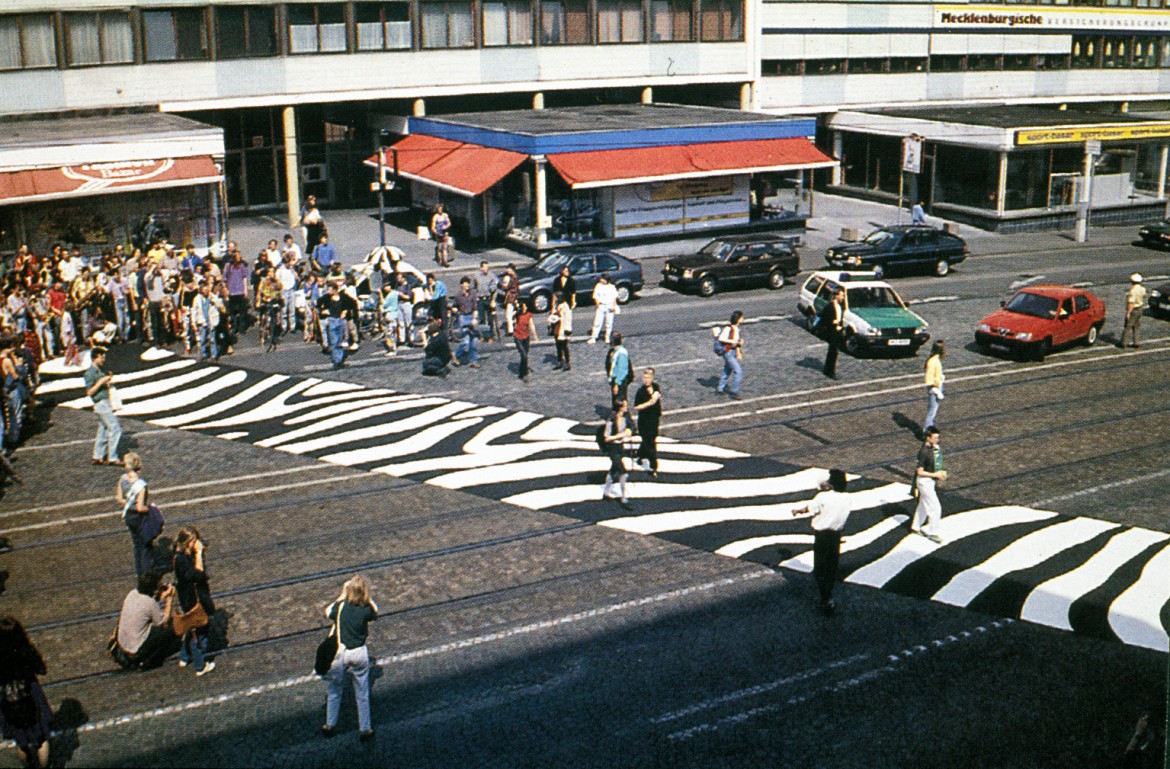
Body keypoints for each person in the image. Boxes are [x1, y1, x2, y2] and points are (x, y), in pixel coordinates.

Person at [321, 575, 379, 742]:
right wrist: (367, 596)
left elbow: (328, 612)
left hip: (341, 652)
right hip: (359, 653)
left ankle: (330, 725)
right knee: (362, 692)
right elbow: (376, 610)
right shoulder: (366, 609)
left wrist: (342, 595)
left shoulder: (341, 607)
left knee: (335, 689)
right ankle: (365, 728)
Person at [791, 468, 851, 616]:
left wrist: (798, 511)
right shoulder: (847, 497)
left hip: (822, 535)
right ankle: (828, 594)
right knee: (831, 566)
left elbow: (810, 509)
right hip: (836, 535)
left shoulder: (823, 497)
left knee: (820, 567)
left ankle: (825, 596)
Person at [0, 616, 53, 769]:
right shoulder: (25, 650)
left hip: (7, 699)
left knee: (21, 742)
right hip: (30, 695)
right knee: (41, 739)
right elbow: (42, 669)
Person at [114, 570, 179, 671]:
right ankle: (149, 660)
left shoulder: (132, 593)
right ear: (154, 588)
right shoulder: (150, 603)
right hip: (136, 648)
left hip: (123, 643)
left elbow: (145, 608)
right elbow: (163, 623)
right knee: (170, 630)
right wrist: (169, 599)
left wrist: (159, 597)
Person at [173, 526, 216, 676]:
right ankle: (200, 665)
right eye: (193, 541)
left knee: (190, 627)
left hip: (186, 597)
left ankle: (184, 657)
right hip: (193, 599)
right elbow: (198, 575)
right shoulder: (182, 561)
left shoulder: (180, 555)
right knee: (199, 630)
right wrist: (198, 554)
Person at [114, 452, 157, 578]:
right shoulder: (141, 485)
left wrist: (129, 503)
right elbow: (140, 507)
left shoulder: (122, 479)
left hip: (128, 516)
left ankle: (139, 572)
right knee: (146, 545)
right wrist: (150, 509)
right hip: (139, 518)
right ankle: (147, 573)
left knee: (136, 544)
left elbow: (119, 498)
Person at [85, 346, 121, 466]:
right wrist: (101, 382)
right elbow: (89, 392)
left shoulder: (100, 370)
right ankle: (112, 457)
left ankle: (98, 456)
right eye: (102, 357)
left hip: (105, 401)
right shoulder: (90, 373)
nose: (103, 360)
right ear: (95, 358)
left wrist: (108, 381)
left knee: (103, 429)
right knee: (115, 428)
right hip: (101, 403)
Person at [912, 427, 946, 544]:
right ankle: (933, 532)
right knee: (935, 507)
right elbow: (920, 472)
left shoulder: (931, 448)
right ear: (928, 438)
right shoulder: (924, 452)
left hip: (929, 482)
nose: (937, 440)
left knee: (923, 505)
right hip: (924, 482)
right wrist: (935, 474)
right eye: (935, 438)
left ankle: (915, 526)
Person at [600, 398, 633, 509]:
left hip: (620, 447)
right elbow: (606, 438)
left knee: (613, 470)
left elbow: (630, 430)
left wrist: (628, 433)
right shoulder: (611, 421)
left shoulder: (624, 419)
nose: (626, 408)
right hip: (613, 448)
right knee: (623, 473)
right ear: (620, 408)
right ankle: (623, 498)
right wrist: (620, 436)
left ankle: (606, 492)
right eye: (624, 406)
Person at [633, 368, 662, 478]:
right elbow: (637, 406)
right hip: (644, 421)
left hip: (654, 419)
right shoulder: (641, 392)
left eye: (648, 378)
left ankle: (640, 455)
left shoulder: (656, 387)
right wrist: (650, 402)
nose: (646, 380)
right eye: (644, 377)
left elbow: (658, 399)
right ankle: (653, 466)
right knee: (650, 444)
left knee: (649, 440)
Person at [318, 281, 349, 369]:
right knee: (334, 341)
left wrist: (345, 311)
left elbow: (349, 304)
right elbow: (317, 303)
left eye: (330, 289)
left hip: (340, 320)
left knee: (340, 340)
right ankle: (337, 360)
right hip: (332, 320)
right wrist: (323, 311)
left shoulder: (342, 297)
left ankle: (340, 359)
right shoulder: (327, 298)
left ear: (335, 290)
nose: (328, 291)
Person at [452, 277, 479, 368]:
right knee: (466, 341)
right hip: (463, 317)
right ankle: (456, 355)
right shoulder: (458, 295)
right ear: (462, 285)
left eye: (468, 283)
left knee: (474, 341)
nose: (467, 285)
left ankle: (473, 361)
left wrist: (475, 318)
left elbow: (475, 307)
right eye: (466, 283)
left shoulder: (473, 293)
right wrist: (455, 310)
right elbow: (454, 306)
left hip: (472, 316)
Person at [716, 311, 744, 398]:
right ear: (738, 319)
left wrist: (738, 351)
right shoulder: (728, 328)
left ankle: (720, 388)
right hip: (728, 352)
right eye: (742, 317)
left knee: (727, 370)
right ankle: (734, 392)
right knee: (738, 371)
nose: (743, 319)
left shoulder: (737, 329)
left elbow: (736, 343)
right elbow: (721, 338)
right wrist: (733, 341)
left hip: (733, 351)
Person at [821, 288, 846, 379]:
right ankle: (830, 371)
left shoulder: (839, 306)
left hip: (838, 330)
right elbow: (824, 319)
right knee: (833, 351)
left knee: (834, 351)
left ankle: (828, 369)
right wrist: (833, 322)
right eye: (841, 295)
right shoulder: (830, 306)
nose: (843, 297)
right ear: (836, 296)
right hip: (832, 331)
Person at [587, 274, 618, 345]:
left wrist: (614, 306)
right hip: (601, 305)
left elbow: (614, 297)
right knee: (597, 322)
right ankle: (593, 337)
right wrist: (597, 304)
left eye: (602, 279)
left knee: (609, 322)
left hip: (609, 305)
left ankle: (607, 336)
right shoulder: (598, 286)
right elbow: (595, 296)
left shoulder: (611, 287)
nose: (601, 280)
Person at [512, 298, 537, 380]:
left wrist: (534, 335)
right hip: (518, 336)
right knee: (523, 355)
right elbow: (513, 323)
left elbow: (531, 325)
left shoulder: (529, 314)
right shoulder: (517, 315)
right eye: (523, 307)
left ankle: (521, 371)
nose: (525, 309)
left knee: (525, 355)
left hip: (526, 336)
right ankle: (524, 373)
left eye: (526, 307)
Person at [473, 262, 498, 342]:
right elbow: (475, 287)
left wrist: (493, 299)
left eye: (487, 267)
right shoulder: (477, 275)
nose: (486, 269)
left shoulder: (491, 275)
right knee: (481, 319)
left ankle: (490, 336)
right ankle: (483, 336)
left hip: (488, 298)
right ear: (481, 268)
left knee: (490, 318)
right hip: (480, 299)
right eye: (485, 267)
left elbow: (495, 286)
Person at [923, 340, 945, 432]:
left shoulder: (935, 359)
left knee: (933, 410)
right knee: (932, 411)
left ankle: (929, 429)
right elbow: (929, 380)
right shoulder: (932, 361)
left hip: (937, 386)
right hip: (934, 389)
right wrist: (936, 389)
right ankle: (927, 430)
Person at [1121, 273, 1146, 349]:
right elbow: (1144, 296)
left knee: (1128, 326)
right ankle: (1136, 341)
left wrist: (1128, 313)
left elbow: (1131, 303)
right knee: (1136, 326)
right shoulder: (1142, 289)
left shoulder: (1132, 291)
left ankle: (1123, 342)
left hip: (1134, 310)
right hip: (1140, 308)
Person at [607, 332, 632, 408]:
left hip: (620, 381)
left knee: (620, 402)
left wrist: (617, 384)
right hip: (616, 379)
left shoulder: (621, 353)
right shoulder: (615, 351)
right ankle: (616, 415)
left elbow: (622, 370)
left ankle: (623, 417)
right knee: (616, 402)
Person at [550, 293, 573, 371]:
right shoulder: (556, 305)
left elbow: (568, 318)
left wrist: (568, 329)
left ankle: (567, 362)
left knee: (564, 346)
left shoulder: (565, 306)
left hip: (563, 328)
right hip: (557, 327)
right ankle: (559, 361)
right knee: (558, 346)